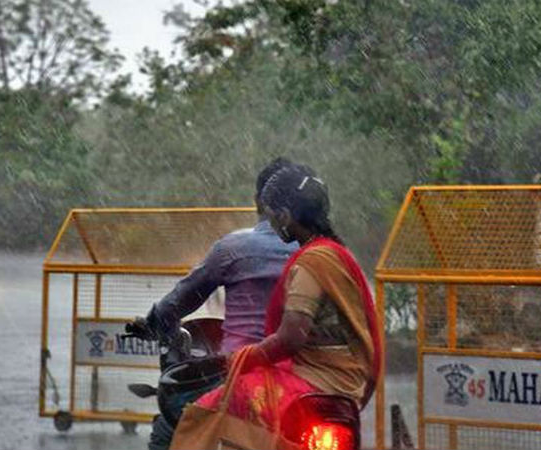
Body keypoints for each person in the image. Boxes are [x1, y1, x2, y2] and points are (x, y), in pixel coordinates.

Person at [188, 163, 383, 433]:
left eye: (273, 216)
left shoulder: (311, 262)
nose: (274, 225)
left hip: (316, 382)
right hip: (350, 385)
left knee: (201, 413)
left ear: (285, 215)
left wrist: (242, 357)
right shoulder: (338, 255)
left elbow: (290, 339)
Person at [143, 157, 298, 450]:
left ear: (258, 201)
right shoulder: (321, 253)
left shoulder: (233, 248)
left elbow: (177, 302)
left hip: (239, 378)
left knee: (169, 428)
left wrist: (155, 320)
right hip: (305, 381)